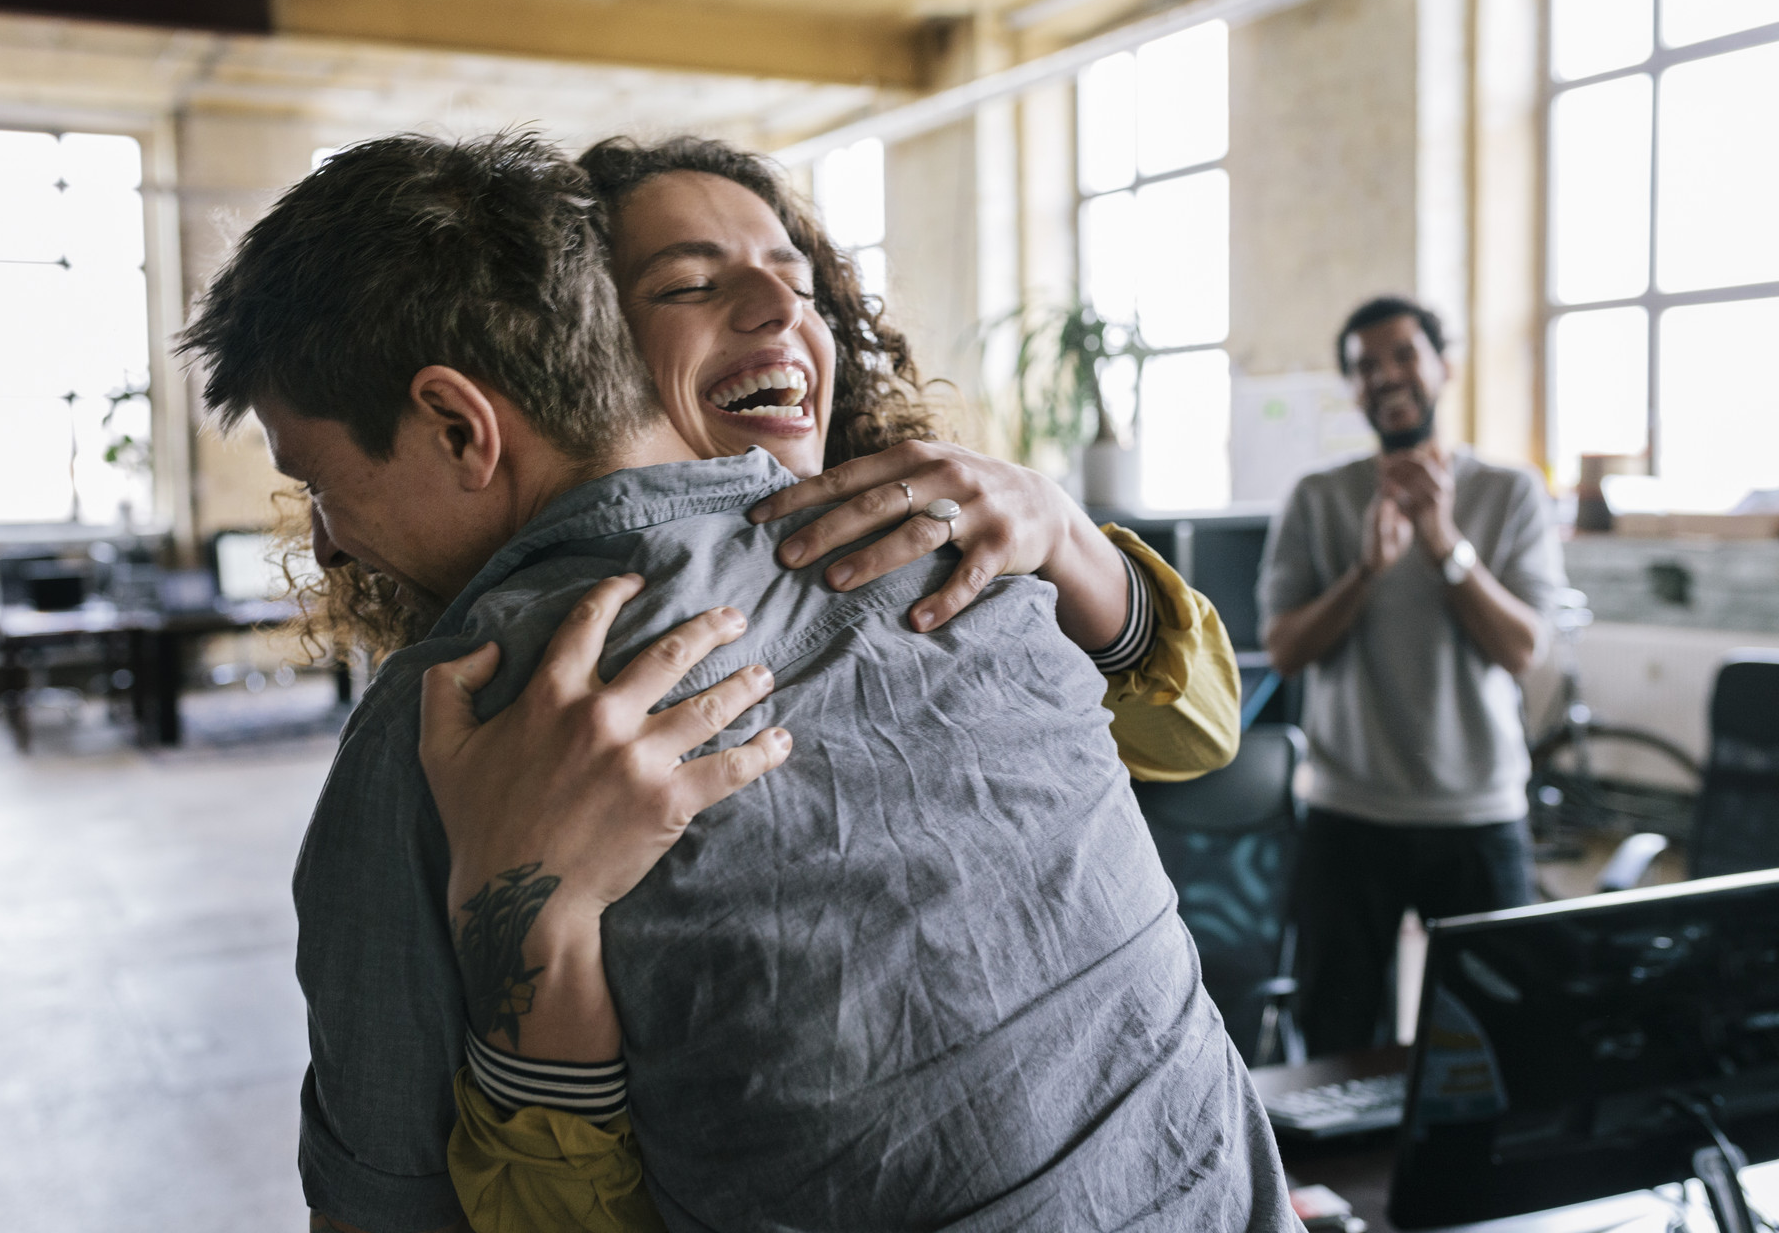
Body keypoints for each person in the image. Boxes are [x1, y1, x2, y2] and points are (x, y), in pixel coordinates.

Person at [182, 132, 1289, 1232]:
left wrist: (1060, 529)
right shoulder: (965, 573)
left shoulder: (445, 728)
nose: (775, 310)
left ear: (463, 420)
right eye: (692, 285)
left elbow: (388, 1214)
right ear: (593, 338)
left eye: (799, 280)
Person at [1258, 295, 1564, 1057]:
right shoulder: (1318, 498)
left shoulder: (1509, 492)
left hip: (1477, 818)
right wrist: (1366, 570)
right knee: (1333, 1044)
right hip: (1347, 816)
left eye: (1403, 355)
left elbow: (1523, 650)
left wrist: (1446, 546)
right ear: (1353, 391)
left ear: (1442, 367)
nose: (1387, 376)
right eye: (1366, 367)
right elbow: (1287, 650)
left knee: (1494, 1048)